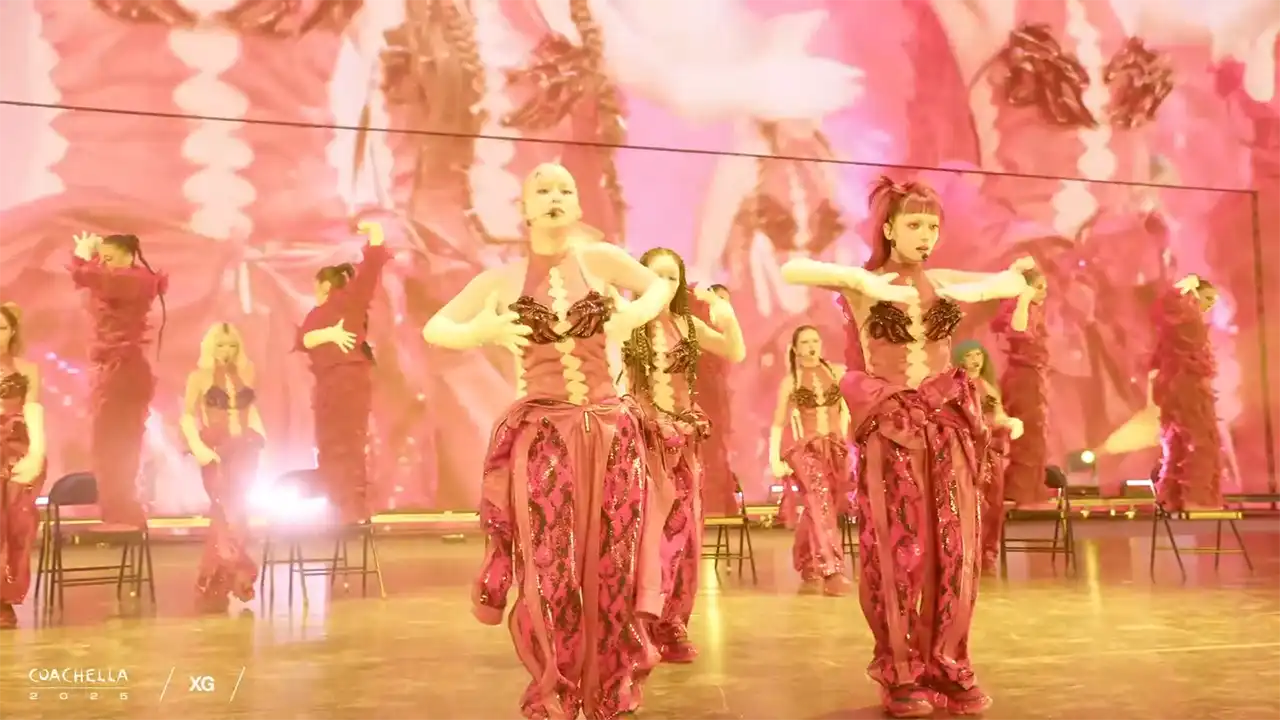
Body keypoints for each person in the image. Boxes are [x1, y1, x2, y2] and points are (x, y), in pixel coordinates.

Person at [422, 163, 676, 718]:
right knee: (549, 566)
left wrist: (633, 313)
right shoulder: (503, 279)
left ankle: (610, 684)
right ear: (525, 208)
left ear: (578, 205)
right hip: (545, 438)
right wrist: (481, 331)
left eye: (565, 188)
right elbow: (435, 327)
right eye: (542, 189)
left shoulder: (599, 259)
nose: (554, 196)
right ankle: (554, 685)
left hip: (610, 432)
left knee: (614, 561)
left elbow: (661, 284)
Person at [781, 175, 1034, 717]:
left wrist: (1019, 277)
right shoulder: (863, 285)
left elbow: (999, 283)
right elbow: (793, 270)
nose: (926, 235)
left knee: (956, 549)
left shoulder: (941, 281)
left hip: (945, 428)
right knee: (898, 551)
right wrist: (861, 280)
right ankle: (900, 671)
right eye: (915, 224)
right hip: (891, 428)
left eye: (933, 226)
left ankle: (948, 664)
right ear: (890, 228)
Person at [621, 250, 745, 664]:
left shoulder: (687, 324)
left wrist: (725, 313)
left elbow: (734, 350)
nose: (664, 284)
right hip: (640, 440)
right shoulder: (627, 323)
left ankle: (672, 622)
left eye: (672, 278)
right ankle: (639, 623)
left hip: (683, 439)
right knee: (643, 533)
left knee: (683, 531)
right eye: (655, 276)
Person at [69, 232, 168, 528]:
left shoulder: (137, 280)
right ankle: (116, 510)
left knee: (119, 444)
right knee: (108, 444)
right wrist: (91, 258)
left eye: (109, 258)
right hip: (113, 369)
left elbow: (95, 278)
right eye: (103, 259)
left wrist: (82, 257)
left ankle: (124, 511)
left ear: (128, 256)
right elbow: (99, 280)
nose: (105, 264)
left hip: (125, 370)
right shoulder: (119, 281)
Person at [295, 221, 389, 524]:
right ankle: (346, 507)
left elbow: (370, 271)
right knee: (343, 446)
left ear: (325, 285)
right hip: (337, 387)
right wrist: (330, 335)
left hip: (344, 385)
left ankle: (347, 507)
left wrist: (376, 236)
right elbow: (306, 340)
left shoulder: (347, 303)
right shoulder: (326, 312)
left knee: (341, 445)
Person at [180, 322, 265, 612]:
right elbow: (187, 416)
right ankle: (232, 576)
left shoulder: (247, 372)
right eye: (220, 345)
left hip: (244, 450)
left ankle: (216, 580)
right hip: (215, 451)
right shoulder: (199, 377)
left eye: (231, 345)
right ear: (210, 346)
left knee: (238, 512)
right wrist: (199, 448)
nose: (226, 350)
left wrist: (260, 436)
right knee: (223, 510)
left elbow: (251, 409)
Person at [769, 325, 851, 596]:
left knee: (824, 504)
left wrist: (846, 439)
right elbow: (778, 423)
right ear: (795, 349)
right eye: (805, 342)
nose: (811, 346)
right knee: (819, 500)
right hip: (805, 450)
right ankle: (832, 570)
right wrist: (774, 458)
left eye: (815, 340)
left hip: (834, 448)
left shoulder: (837, 373)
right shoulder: (790, 382)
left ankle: (805, 558)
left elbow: (846, 409)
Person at [1150, 274, 1222, 511]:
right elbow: (1170, 303)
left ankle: (1174, 498)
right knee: (1199, 441)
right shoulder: (1185, 320)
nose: (1210, 305)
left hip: (1179, 387)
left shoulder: (1186, 324)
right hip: (1186, 387)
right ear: (1194, 296)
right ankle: (1195, 498)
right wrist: (1185, 286)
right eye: (1207, 298)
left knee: (1178, 443)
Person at [953, 340, 1024, 574]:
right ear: (960, 359)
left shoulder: (988, 387)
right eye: (969, 355)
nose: (975, 360)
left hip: (991, 453)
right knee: (968, 504)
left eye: (978, 355)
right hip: (967, 453)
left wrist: (1011, 422)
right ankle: (966, 555)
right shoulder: (956, 386)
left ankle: (988, 554)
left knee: (993, 505)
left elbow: (998, 415)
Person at [990, 270, 1053, 507]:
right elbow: (1018, 331)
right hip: (1024, 378)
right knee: (1028, 434)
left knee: (1037, 434)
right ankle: (1021, 491)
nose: (1044, 292)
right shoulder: (1018, 309)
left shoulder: (1034, 310)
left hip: (1033, 376)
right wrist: (1024, 298)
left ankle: (1032, 489)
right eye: (1039, 286)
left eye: (1045, 287)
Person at [0, 304, 45, 629]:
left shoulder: (28, 370)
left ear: (12, 331)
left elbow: (33, 412)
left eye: (2, 328)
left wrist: (37, 453)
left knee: (17, 524)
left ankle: (4, 597)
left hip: (18, 449)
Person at [689, 283, 739, 518]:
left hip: (718, 395)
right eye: (717, 298)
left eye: (725, 300)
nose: (721, 304)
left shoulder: (729, 334)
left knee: (717, 447)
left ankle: (716, 506)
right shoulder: (695, 328)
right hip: (697, 394)